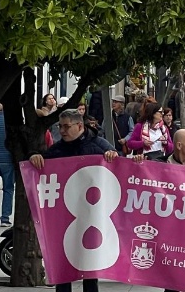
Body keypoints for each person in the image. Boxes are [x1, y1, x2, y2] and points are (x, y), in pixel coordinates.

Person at [28, 110, 141, 292]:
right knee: (62, 261)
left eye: (66, 126)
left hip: (93, 215)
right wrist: (35, 157)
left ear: (79, 126)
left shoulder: (99, 145)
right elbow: (42, 170)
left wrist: (113, 156)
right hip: (66, 217)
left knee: (90, 264)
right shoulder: (57, 150)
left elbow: (119, 169)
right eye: (60, 126)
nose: (62, 131)